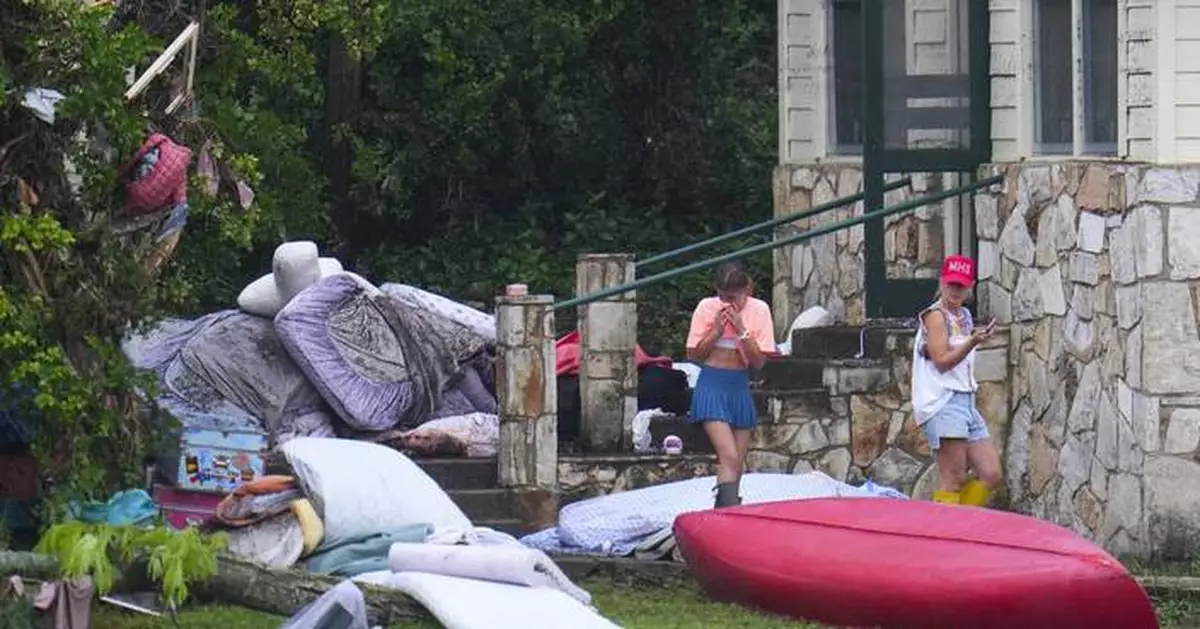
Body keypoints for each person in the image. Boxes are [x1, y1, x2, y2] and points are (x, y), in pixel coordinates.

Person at [910, 254, 1003, 507]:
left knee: (991, 474)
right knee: (953, 479)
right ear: (941, 283)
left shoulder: (964, 316)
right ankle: (944, 536)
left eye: (960, 285)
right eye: (951, 284)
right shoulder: (935, 316)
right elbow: (941, 361)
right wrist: (973, 341)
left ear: (970, 286)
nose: (955, 290)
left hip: (966, 402)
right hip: (942, 402)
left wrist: (974, 337)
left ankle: (959, 524)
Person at [685, 261, 776, 508]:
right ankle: (726, 511)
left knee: (738, 462)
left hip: (738, 385)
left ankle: (726, 512)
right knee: (728, 455)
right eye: (723, 297)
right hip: (712, 384)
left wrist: (741, 329)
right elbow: (693, 355)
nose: (729, 304)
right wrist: (715, 331)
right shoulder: (707, 307)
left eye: (735, 298)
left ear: (748, 288)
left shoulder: (759, 310)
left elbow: (758, 362)